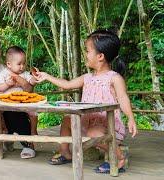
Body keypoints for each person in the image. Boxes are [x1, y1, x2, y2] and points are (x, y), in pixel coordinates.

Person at [34, 30, 138, 173]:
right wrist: (47, 76)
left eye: (88, 51)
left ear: (100, 56)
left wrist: (131, 118)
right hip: (87, 123)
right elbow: (67, 84)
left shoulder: (114, 78)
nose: (85, 54)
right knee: (67, 120)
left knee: (94, 133)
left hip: (108, 127)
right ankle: (65, 151)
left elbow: (123, 99)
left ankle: (119, 158)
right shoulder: (87, 77)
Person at [0, 46, 38, 136]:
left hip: (23, 101)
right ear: (9, 64)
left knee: (33, 113)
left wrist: (35, 77)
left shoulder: (25, 74)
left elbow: (31, 82)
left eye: (24, 63)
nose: (22, 66)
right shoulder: (4, 74)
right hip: (7, 102)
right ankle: (4, 128)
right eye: (19, 64)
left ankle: (33, 130)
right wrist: (7, 84)